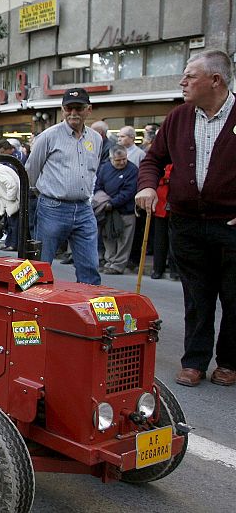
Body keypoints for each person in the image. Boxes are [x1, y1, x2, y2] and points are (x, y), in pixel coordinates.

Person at [136, 49, 236, 388]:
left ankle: (229, 362)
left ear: (216, 80)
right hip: (186, 223)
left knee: (234, 296)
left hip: (230, 225)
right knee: (196, 295)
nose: (183, 81)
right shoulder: (178, 117)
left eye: (190, 76)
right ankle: (194, 361)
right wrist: (148, 187)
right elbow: (152, 160)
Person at [26, 88, 102, 285]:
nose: (73, 113)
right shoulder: (48, 136)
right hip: (53, 207)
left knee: (90, 267)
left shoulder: (96, 138)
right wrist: (39, 198)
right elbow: (30, 172)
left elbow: (94, 172)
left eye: (79, 108)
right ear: (62, 109)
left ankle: (88, 312)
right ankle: (32, 309)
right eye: (69, 108)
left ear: (89, 110)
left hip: (84, 209)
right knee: (40, 266)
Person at [94, 145, 138, 275]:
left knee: (124, 239)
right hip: (107, 210)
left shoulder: (132, 170)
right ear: (111, 158)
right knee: (108, 236)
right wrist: (104, 202)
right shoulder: (104, 168)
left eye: (124, 159)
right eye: (118, 160)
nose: (122, 162)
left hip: (125, 210)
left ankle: (119, 264)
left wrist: (112, 203)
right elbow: (97, 185)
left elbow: (129, 191)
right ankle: (110, 261)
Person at [151, 163, 179, 280]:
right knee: (160, 239)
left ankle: (175, 270)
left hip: (176, 202)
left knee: (175, 239)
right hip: (161, 202)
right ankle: (158, 268)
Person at [0, 140, 20, 252]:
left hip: (11, 201)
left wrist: (10, 199)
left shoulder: (1, 170)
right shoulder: (4, 167)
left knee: (13, 224)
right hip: (12, 201)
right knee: (11, 224)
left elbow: (11, 185)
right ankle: (10, 243)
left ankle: (13, 244)